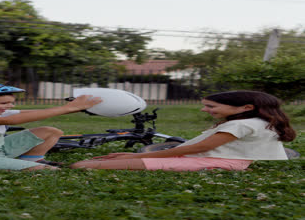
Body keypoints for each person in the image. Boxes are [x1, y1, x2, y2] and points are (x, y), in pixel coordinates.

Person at [70, 90, 296, 171]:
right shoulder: (256, 120)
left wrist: (137, 155)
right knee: (100, 161)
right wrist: (134, 155)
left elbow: (200, 148)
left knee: (82, 165)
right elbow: (196, 148)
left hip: (215, 162)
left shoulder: (241, 124)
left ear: (246, 107)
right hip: (214, 159)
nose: (204, 109)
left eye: (211, 106)